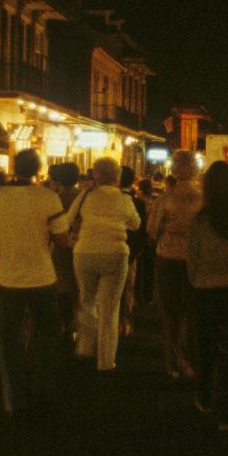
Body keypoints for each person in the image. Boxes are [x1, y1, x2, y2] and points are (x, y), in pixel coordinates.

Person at [0, 148, 70, 419]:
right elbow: (63, 239)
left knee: (9, 343)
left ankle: (14, 400)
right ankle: (45, 391)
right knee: (46, 339)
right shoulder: (48, 197)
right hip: (43, 276)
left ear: (14, 167)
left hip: (8, 277)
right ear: (38, 168)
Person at [186, 160, 228, 432]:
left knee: (204, 345)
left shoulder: (200, 220)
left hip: (205, 288)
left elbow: (192, 258)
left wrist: (198, 280)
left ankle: (204, 395)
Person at [68, 157, 141, 372]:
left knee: (87, 300)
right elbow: (136, 224)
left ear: (95, 176)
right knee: (110, 309)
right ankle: (106, 361)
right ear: (117, 176)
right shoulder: (124, 199)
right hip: (115, 253)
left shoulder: (86, 196)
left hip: (85, 251)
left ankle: (85, 347)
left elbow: (69, 218)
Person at [147, 149, 203, 381]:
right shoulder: (203, 196)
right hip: (195, 257)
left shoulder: (165, 197)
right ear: (195, 169)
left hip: (168, 254)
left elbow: (152, 229)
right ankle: (191, 359)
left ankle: (172, 361)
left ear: (174, 169)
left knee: (170, 310)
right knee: (192, 310)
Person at [48, 162, 83, 341]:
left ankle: (65, 322)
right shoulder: (83, 197)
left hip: (60, 246)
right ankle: (78, 323)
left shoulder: (55, 198)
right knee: (78, 285)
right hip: (80, 244)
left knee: (62, 285)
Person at [120, 166, 150, 335]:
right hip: (130, 250)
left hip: (109, 249)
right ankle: (125, 323)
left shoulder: (103, 198)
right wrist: (138, 250)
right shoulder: (137, 202)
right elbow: (141, 228)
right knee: (127, 289)